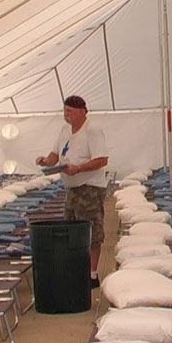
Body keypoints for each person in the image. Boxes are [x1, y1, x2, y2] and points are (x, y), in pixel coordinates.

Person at [36, 95, 109, 288]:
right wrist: (46, 161)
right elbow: (55, 154)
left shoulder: (93, 130)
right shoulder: (64, 130)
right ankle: (77, 270)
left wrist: (79, 168)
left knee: (92, 231)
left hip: (90, 187)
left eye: (69, 111)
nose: (65, 114)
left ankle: (92, 274)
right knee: (72, 229)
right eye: (64, 110)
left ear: (81, 112)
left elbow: (102, 160)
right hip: (72, 187)